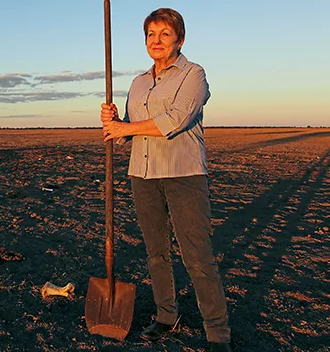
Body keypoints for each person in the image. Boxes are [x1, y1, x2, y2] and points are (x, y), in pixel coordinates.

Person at [100, 8, 232, 352]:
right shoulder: (138, 82)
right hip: (143, 175)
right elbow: (129, 131)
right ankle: (165, 315)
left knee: (197, 256)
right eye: (150, 34)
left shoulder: (194, 74)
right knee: (156, 253)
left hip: (183, 174)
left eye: (164, 34)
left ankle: (218, 334)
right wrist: (116, 121)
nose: (156, 41)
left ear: (180, 39)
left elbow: (177, 118)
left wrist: (125, 127)